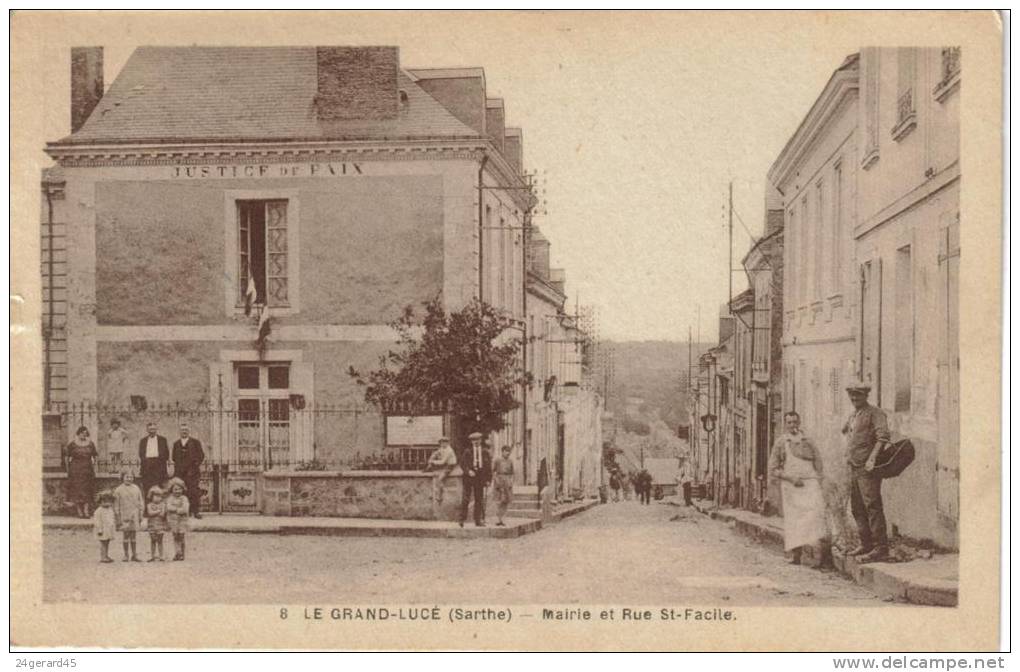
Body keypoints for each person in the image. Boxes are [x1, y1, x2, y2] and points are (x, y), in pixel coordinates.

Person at [842, 381, 892, 563]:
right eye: (852, 396)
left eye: (858, 395)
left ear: (866, 396)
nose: (855, 398)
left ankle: (881, 548)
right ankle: (866, 544)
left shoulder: (876, 413)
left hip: (867, 468)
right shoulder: (856, 413)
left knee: (872, 506)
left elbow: (883, 437)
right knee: (857, 507)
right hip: (854, 466)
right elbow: (847, 432)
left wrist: (872, 459)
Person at [769, 411, 827, 566]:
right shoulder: (781, 443)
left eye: (795, 422)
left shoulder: (808, 441)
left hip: (810, 484)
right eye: (789, 423)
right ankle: (796, 556)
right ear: (785, 424)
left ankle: (817, 557)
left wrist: (818, 480)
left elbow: (818, 463)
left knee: (814, 518)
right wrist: (791, 478)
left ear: (799, 423)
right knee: (794, 521)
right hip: (791, 487)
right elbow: (773, 469)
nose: (792, 425)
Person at [171, 422, 205, 519]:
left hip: (192, 472)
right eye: (182, 430)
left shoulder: (195, 442)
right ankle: (184, 511)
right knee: (181, 491)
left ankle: (195, 511)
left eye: (186, 430)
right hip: (180, 472)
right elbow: (174, 457)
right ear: (179, 432)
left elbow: (201, 455)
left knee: (193, 491)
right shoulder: (176, 444)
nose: (184, 432)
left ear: (189, 431)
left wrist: (195, 465)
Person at [458, 432, 492, 527]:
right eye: (473, 440)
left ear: (480, 440)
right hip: (469, 477)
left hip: (480, 477)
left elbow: (488, 467)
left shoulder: (485, 452)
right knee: (465, 498)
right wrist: (468, 471)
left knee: (479, 499)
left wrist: (489, 480)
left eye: (477, 440)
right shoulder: (467, 451)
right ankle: (462, 519)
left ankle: (477, 520)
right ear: (471, 441)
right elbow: (462, 464)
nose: (476, 442)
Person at [65, 426, 98, 518]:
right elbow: (67, 457)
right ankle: (79, 511)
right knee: (77, 490)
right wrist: (68, 468)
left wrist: (94, 465)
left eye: (85, 433)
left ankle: (86, 511)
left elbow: (95, 456)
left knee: (87, 490)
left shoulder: (90, 444)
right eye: (82, 433)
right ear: (78, 433)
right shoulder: (72, 444)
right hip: (76, 470)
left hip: (87, 469)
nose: (84, 435)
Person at [113, 470, 144, 562]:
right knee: (126, 536)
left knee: (133, 536)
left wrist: (141, 513)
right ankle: (126, 555)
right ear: (122, 478)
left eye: (131, 477)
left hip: (134, 515)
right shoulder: (118, 490)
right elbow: (116, 505)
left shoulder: (136, 488)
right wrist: (117, 517)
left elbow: (140, 501)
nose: (129, 479)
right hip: (124, 515)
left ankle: (134, 555)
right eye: (127, 477)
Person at [424, 437, 458, 509]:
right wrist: (432, 457)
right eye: (442, 443)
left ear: (448, 443)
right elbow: (437, 453)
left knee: (440, 478)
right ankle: (427, 468)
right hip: (445, 465)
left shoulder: (449, 450)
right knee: (433, 467)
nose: (443, 444)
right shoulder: (442, 448)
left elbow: (443, 461)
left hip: (450, 466)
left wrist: (433, 462)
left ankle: (440, 496)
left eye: (445, 442)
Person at [138, 422, 170, 501]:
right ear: (147, 430)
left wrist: (159, 462)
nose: (152, 431)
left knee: (159, 488)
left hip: (159, 466)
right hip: (147, 466)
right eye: (150, 429)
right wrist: (147, 462)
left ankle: (160, 508)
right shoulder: (143, 441)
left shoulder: (162, 439)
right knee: (147, 488)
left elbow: (166, 454)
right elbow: (141, 454)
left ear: (156, 429)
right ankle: (148, 509)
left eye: (154, 429)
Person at [165, 478, 190, 561]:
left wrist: (176, 510)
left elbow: (185, 509)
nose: (177, 491)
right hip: (173, 520)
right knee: (175, 536)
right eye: (175, 489)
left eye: (180, 489)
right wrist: (178, 509)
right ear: (171, 490)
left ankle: (182, 553)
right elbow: (168, 507)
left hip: (182, 520)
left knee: (181, 536)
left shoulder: (184, 498)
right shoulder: (170, 498)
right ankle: (177, 553)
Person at [492, 445, 515, 526]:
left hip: (507, 481)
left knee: (506, 500)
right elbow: (493, 471)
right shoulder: (497, 460)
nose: (508, 453)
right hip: (499, 480)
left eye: (509, 452)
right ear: (502, 452)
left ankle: (503, 519)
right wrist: (496, 480)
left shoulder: (510, 461)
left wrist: (511, 482)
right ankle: (499, 519)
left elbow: (512, 473)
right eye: (506, 451)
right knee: (499, 500)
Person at [92, 491, 117, 563]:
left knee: (107, 542)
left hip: (108, 529)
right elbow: (97, 521)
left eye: (109, 502)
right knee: (103, 543)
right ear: (100, 502)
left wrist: (113, 525)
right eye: (104, 502)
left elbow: (112, 518)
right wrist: (100, 529)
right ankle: (103, 557)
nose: (107, 503)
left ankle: (106, 555)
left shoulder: (110, 509)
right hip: (102, 530)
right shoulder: (98, 511)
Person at [146, 486, 168, 562]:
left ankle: (161, 555)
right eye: (156, 496)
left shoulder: (163, 504)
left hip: (160, 525)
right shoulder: (149, 505)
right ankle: (152, 556)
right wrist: (158, 511)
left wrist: (157, 512)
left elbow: (162, 514)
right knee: (153, 540)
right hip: (152, 525)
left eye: (160, 496)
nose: (158, 498)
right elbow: (150, 513)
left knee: (160, 540)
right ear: (151, 496)